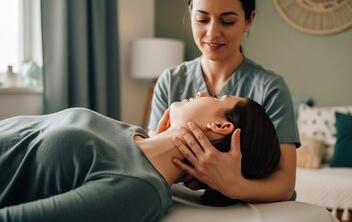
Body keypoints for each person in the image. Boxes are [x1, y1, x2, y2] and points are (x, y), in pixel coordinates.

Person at [0, 93, 281, 222]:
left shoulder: (140, 188)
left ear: (222, 127)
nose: (201, 92)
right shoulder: (133, 132)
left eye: (219, 98)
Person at [148, 0, 300, 202]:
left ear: (249, 19)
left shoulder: (270, 88)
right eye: (202, 19)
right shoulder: (170, 81)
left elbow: (284, 183)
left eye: (227, 21)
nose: (212, 32)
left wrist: (232, 185)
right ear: (191, 14)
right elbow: (155, 151)